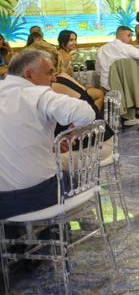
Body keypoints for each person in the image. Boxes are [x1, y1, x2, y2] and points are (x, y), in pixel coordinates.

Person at [0, 49, 95, 220]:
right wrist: (69, 135)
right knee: (75, 177)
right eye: (49, 72)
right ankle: (56, 239)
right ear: (28, 74)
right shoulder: (37, 94)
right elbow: (86, 113)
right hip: (36, 195)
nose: (54, 78)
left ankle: (16, 244)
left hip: (3, 203)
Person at [96, 26, 139, 90]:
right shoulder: (127, 48)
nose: (131, 39)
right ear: (120, 36)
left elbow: (98, 71)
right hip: (125, 86)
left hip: (106, 86)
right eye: (128, 36)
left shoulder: (102, 49)